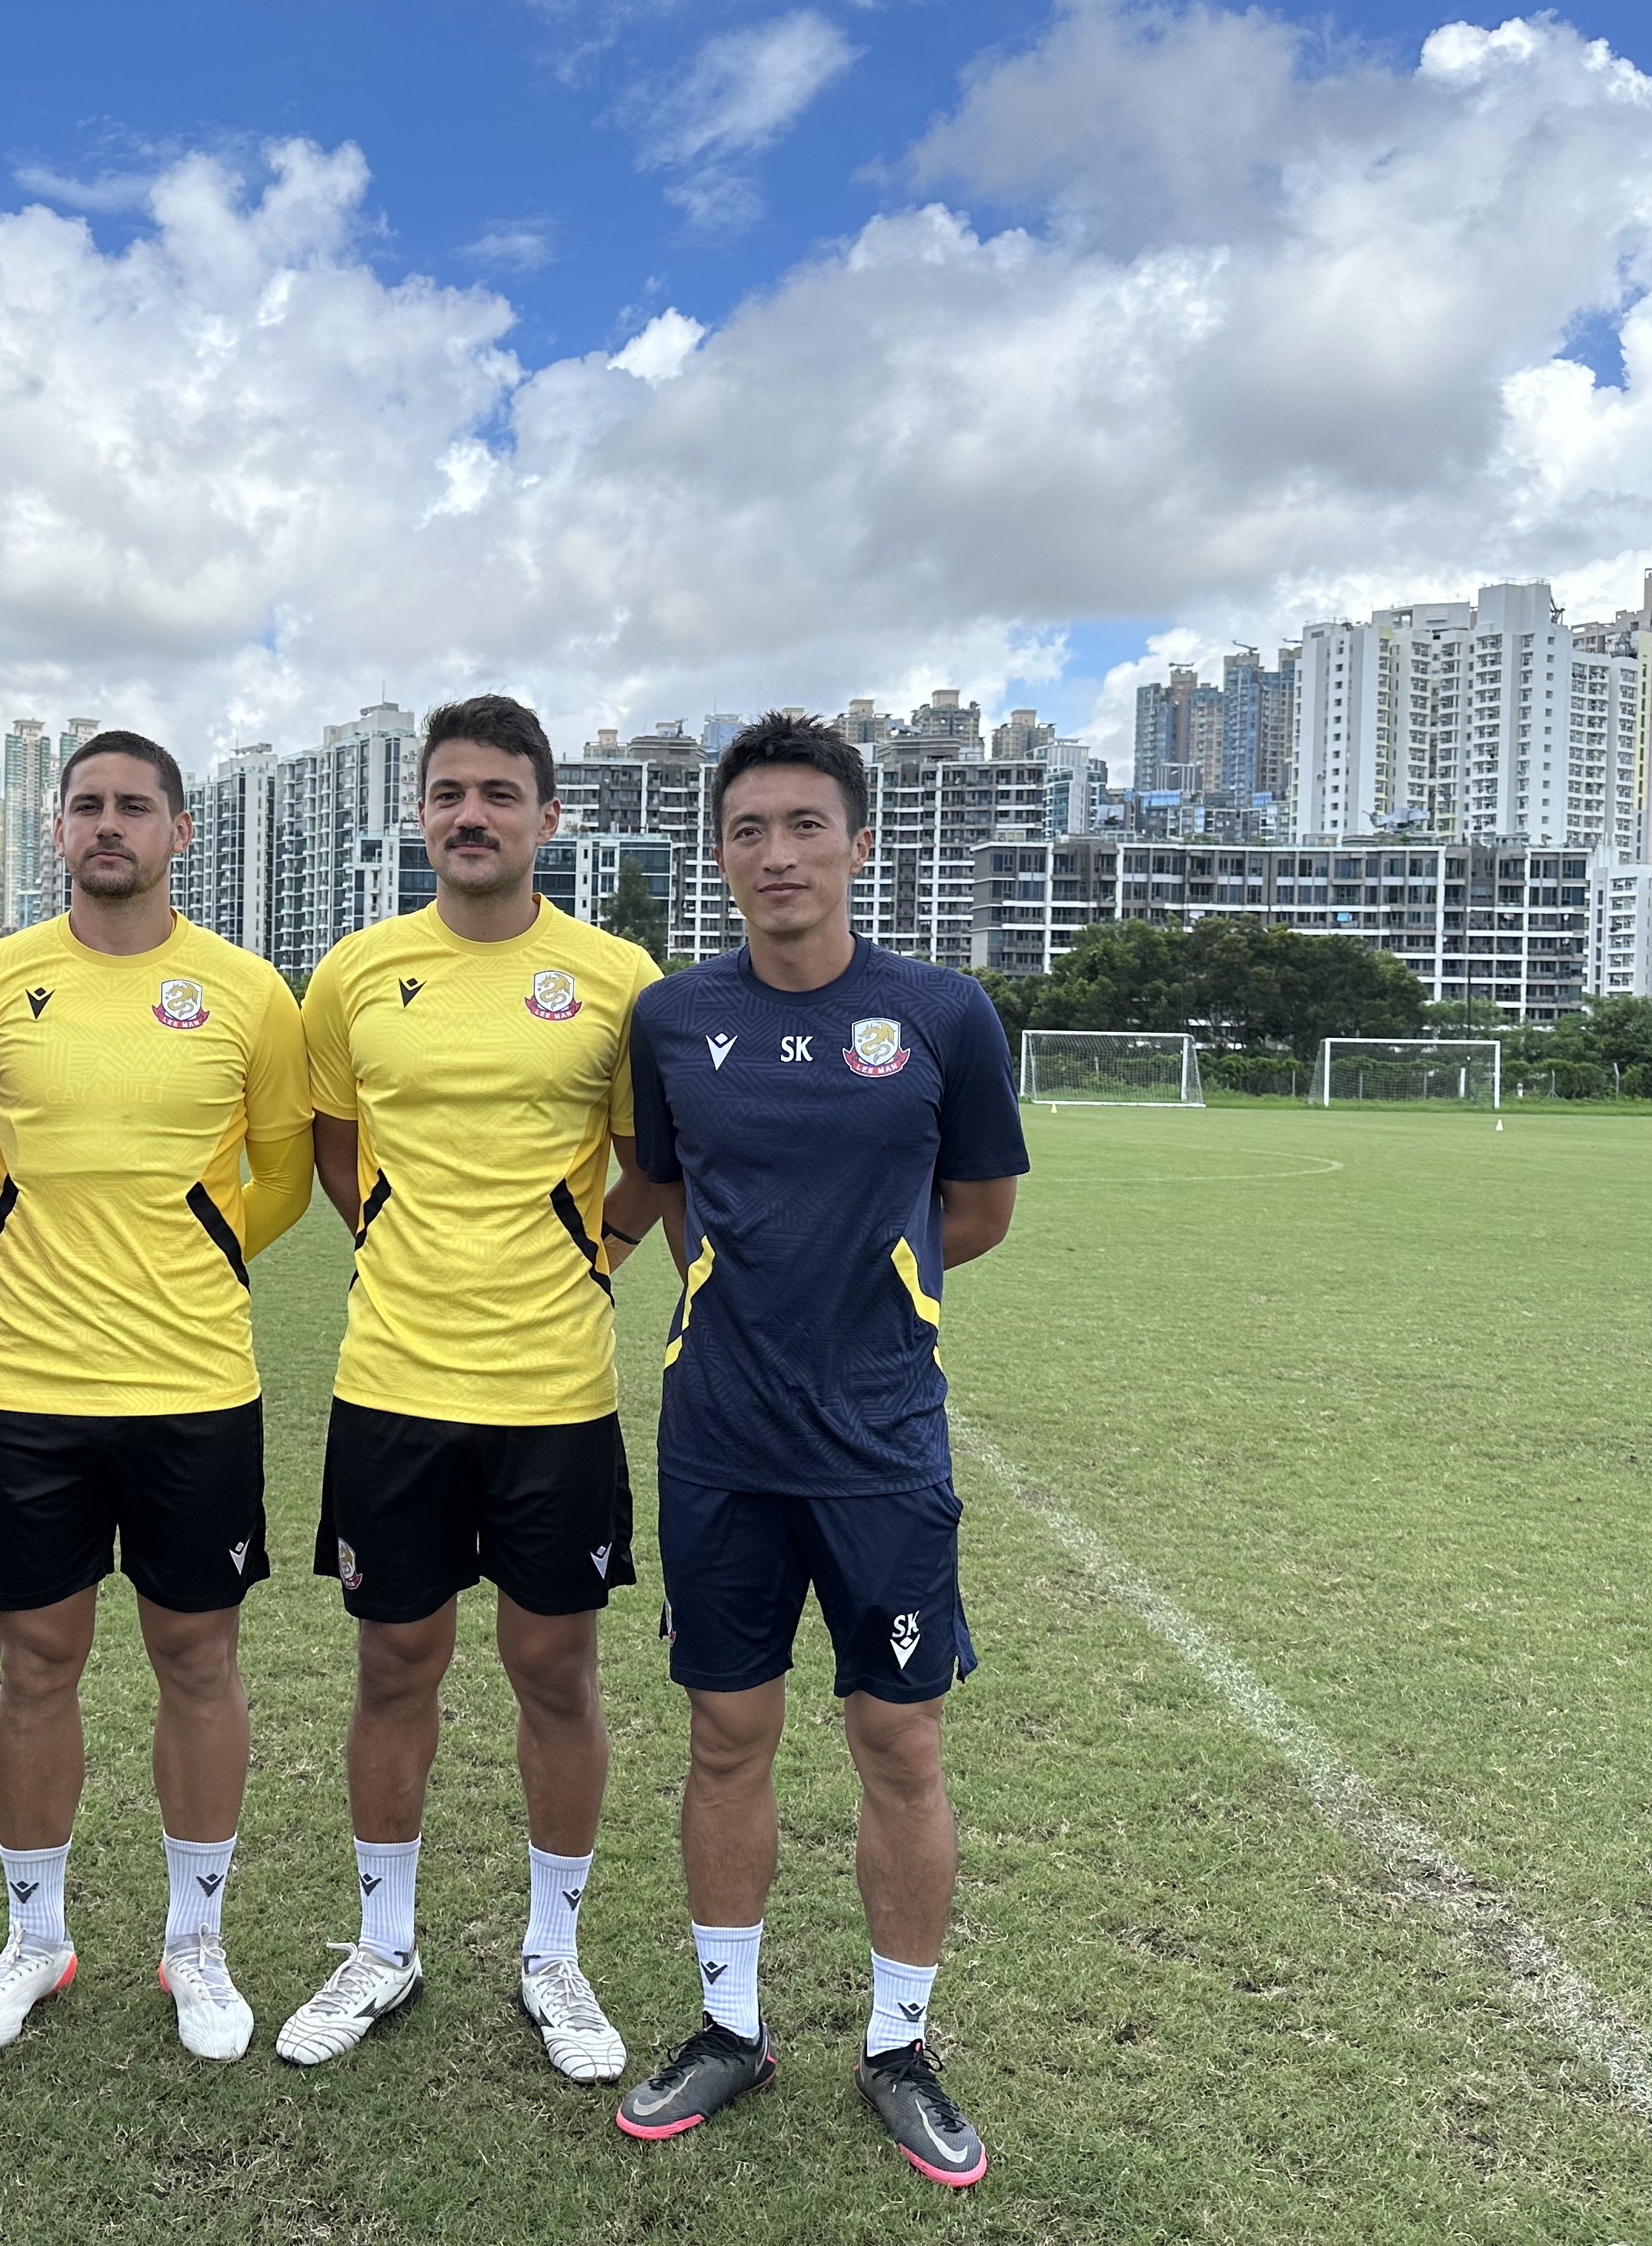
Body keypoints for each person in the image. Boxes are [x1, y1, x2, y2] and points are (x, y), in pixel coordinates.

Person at [609, 712, 1026, 2188]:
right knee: (727, 1734)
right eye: (746, 830)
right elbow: (654, 1188)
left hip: (882, 1444)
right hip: (718, 1441)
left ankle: (898, 2041)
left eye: (802, 825)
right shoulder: (670, 1017)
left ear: (858, 841)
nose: (774, 854)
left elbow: (975, 1209)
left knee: (898, 1739)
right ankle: (730, 2024)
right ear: (718, 854)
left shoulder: (942, 1012)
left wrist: (877, 1290)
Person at [274, 694, 664, 2084]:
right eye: (448, 792)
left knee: (554, 1669)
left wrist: (594, 1249)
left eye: (500, 792)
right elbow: (331, 1137)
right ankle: (384, 1941)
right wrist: (384, 1234)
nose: (472, 814)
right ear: (420, 811)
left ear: (548, 814)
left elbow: (652, 1153)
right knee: (394, 1662)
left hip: (557, 1391)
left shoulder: (616, 976)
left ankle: (552, 1948)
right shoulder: (359, 971)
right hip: (393, 1384)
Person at [0, 731, 316, 2066]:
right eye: (86, 804)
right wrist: (58, 1256)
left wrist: (186, 1256)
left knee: (196, 1660)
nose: (108, 824)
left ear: (179, 831)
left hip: (194, 1385)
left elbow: (279, 1176)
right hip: (26, 1383)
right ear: (57, 830)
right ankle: (35, 1937)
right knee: (34, 1663)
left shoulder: (249, 992)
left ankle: (192, 1940)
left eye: (133, 805)